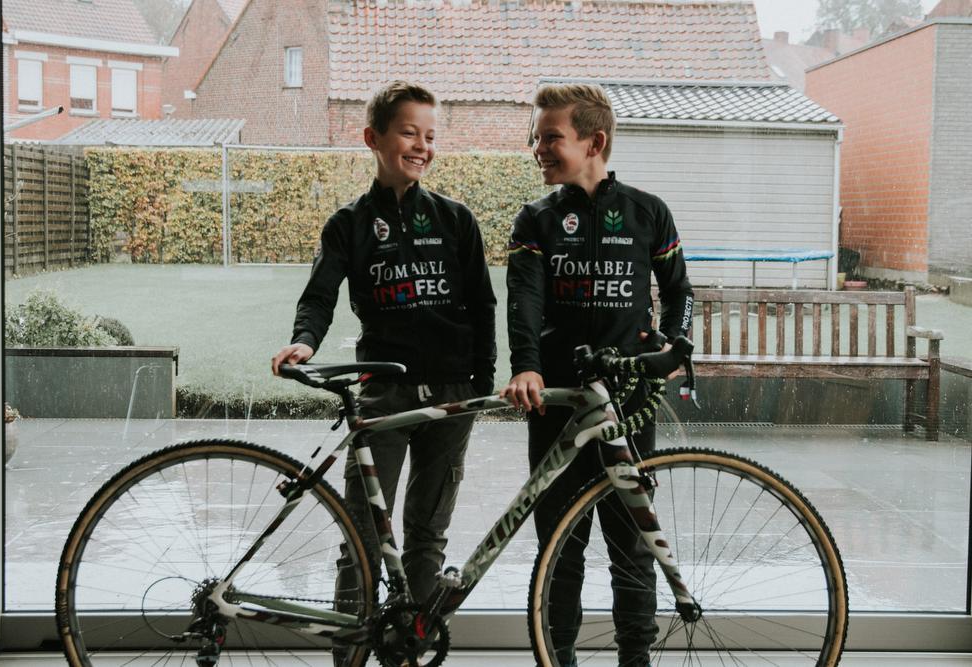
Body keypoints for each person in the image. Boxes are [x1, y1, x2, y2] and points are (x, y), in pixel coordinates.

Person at [271, 80, 496, 660]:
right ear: (372, 137)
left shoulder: (455, 219)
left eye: (430, 135)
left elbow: (483, 303)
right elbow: (319, 294)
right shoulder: (347, 224)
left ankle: (407, 653)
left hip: (452, 395)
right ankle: (350, 654)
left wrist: (482, 381)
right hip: (385, 394)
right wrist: (303, 341)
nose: (421, 145)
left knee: (426, 537)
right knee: (363, 539)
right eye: (408, 132)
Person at [501, 83, 694, 667]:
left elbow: (680, 291)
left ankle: (635, 659)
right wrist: (526, 367)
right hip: (556, 402)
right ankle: (556, 658)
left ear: (595, 141)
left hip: (627, 403)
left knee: (633, 544)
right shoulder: (535, 219)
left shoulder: (647, 211)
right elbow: (524, 300)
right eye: (536, 136)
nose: (538, 147)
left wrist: (679, 346)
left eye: (550, 136)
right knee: (559, 547)